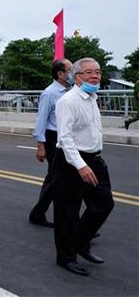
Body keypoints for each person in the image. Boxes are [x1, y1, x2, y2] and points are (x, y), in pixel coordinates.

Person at [53, 58, 114, 276]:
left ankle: (79, 241)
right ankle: (66, 257)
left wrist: (94, 159)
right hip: (72, 162)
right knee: (67, 212)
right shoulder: (68, 101)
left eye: (97, 72)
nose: (95, 76)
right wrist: (80, 165)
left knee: (104, 203)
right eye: (89, 72)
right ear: (77, 77)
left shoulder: (92, 98)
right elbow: (66, 138)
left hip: (94, 160)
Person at [29, 59, 72, 227]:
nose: (73, 72)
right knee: (58, 178)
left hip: (67, 138)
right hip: (53, 138)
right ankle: (68, 222)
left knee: (55, 178)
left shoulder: (71, 90)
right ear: (60, 74)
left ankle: (38, 214)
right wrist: (40, 145)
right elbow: (41, 120)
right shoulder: (50, 93)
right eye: (70, 69)